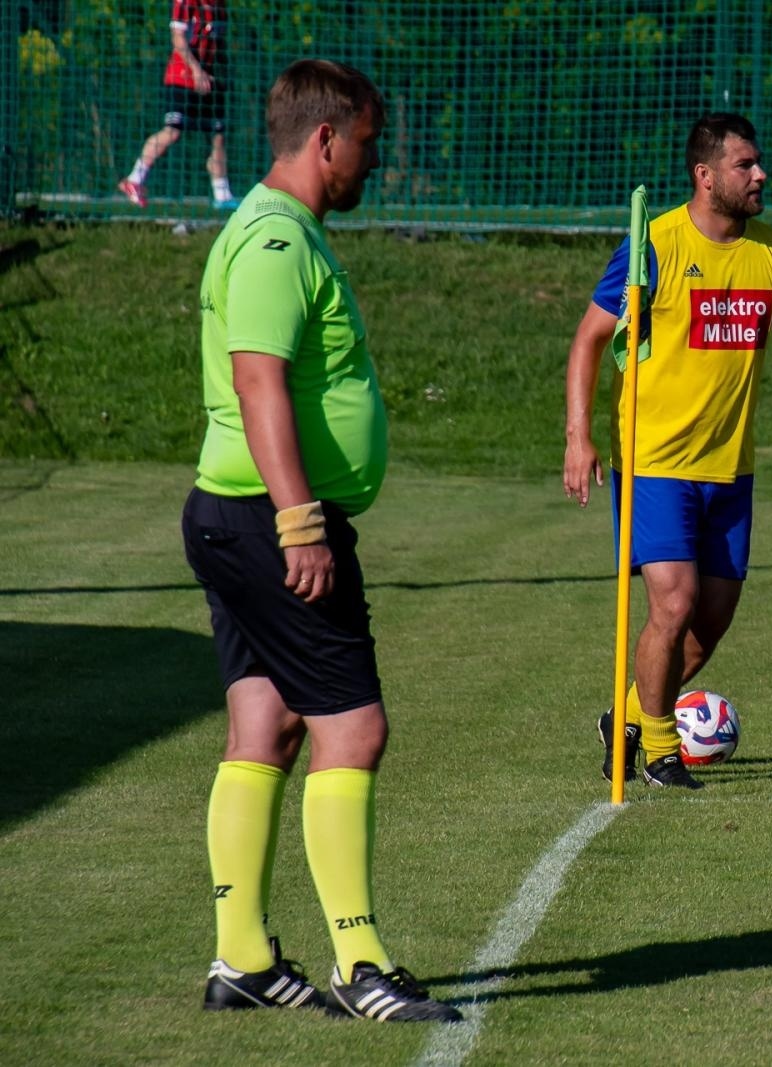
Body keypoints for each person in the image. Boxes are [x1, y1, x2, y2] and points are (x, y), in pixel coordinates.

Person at [181, 59, 459, 1023]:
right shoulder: (271, 240)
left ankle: (243, 959)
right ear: (327, 138)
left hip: (239, 514)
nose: (375, 163)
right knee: (355, 727)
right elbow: (259, 380)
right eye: (370, 144)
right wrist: (301, 520)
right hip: (269, 519)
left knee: (268, 723)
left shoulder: (282, 230)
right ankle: (360, 963)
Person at [563, 113, 772, 791]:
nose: (761, 175)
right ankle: (662, 749)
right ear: (704, 176)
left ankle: (627, 717)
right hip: (655, 462)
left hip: (731, 469)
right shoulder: (654, 245)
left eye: (758, 164)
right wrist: (578, 434)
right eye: (744, 165)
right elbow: (589, 338)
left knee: (708, 623)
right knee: (673, 603)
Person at [116, 0, 238, 211]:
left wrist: (216, 73)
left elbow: (218, 43)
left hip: (210, 79)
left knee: (218, 134)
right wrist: (196, 70)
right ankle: (134, 179)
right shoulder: (186, 2)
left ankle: (222, 195)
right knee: (172, 131)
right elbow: (178, 38)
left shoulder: (220, 5)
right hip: (182, 77)